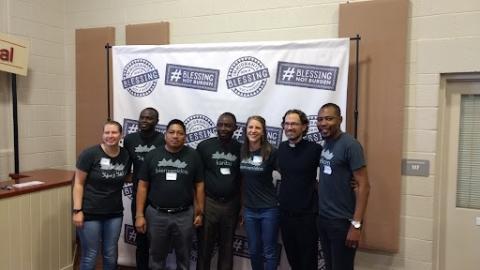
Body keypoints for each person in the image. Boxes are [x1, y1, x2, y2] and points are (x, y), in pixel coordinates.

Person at [135, 119, 205, 270]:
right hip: (156, 214)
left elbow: (199, 185)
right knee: (156, 259)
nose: (175, 136)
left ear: (185, 137)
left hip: (185, 215)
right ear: (165, 135)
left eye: (180, 133)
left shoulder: (193, 156)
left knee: (184, 258)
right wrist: (139, 215)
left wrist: (199, 212)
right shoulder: (152, 155)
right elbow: (142, 186)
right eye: (172, 132)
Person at [316, 103, 371, 270]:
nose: (323, 123)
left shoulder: (350, 145)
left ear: (340, 120)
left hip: (342, 222)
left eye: (329, 118)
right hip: (324, 219)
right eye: (320, 119)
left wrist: (356, 225)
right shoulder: (327, 143)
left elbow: (364, 185)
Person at [72, 120, 132, 270]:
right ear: (102, 134)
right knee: (90, 254)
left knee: (110, 254)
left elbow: (124, 176)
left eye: (114, 132)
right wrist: (77, 211)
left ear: (121, 135)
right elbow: (78, 183)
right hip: (90, 212)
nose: (110, 136)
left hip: (114, 213)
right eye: (107, 132)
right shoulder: (90, 154)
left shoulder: (125, 155)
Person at [196, 112, 242, 270]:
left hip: (231, 204)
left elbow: (243, 179)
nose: (223, 128)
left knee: (227, 247)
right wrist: (198, 207)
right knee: (204, 247)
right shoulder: (204, 146)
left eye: (228, 125)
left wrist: (242, 206)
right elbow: (197, 179)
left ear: (235, 128)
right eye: (220, 124)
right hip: (209, 203)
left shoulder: (241, 148)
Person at [277, 109, 322, 270]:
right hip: (285, 214)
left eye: (294, 123)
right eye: (287, 124)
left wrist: (350, 180)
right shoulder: (281, 148)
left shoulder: (315, 149)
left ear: (304, 127)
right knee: (293, 260)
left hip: (307, 216)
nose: (290, 127)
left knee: (308, 262)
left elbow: (332, 170)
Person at [123, 107, 165, 270]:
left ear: (156, 121)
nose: (144, 121)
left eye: (149, 118)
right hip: (138, 198)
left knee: (158, 241)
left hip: (158, 198)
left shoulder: (163, 140)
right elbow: (126, 167)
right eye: (142, 117)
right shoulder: (130, 139)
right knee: (141, 240)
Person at [240, 115, 280, 270]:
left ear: (263, 131)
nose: (253, 130)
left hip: (269, 209)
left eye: (257, 128)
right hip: (249, 210)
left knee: (269, 251)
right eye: (250, 127)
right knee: (254, 250)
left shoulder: (271, 152)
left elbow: (290, 174)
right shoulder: (242, 150)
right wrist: (242, 208)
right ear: (246, 130)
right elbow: (242, 181)